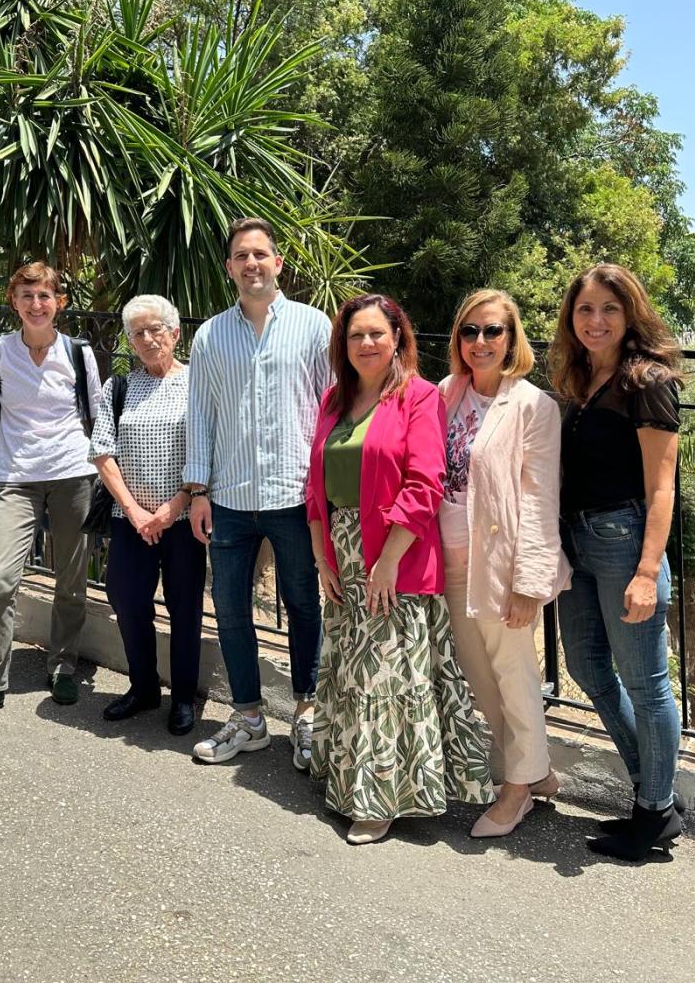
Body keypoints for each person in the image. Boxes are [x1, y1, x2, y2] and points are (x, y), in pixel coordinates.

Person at [304, 294, 493, 844]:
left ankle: (382, 798)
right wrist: (323, 554)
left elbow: (424, 483)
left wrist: (386, 562)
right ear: (343, 344)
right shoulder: (333, 399)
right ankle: (346, 777)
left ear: (397, 339)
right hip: (340, 549)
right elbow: (315, 486)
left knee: (386, 677)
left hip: (395, 552)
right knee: (349, 672)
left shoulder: (418, 396)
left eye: (376, 334)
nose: (366, 343)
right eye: (355, 335)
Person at [184, 218, 332, 768]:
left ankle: (307, 713)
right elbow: (199, 413)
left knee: (302, 604)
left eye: (261, 254)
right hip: (228, 495)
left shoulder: (314, 327)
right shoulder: (210, 335)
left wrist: (329, 490)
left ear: (278, 263)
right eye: (241, 256)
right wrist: (197, 489)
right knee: (230, 608)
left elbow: (331, 406)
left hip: (295, 495)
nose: (252, 264)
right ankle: (248, 718)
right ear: (230, 268)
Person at [550, 262, 684, 861]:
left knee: (647, 684)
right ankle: (653, 793)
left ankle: (653, 811)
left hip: (623, 541)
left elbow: (662, 488)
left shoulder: (645, 381)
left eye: (608, 308)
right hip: (576, 542)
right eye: (585, 310)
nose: (596, 320)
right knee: (585, 666)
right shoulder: (581, 380)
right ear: (571, 319)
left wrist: (648, 572)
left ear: (630, 313)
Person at [438, 288, 570, 838]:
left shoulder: (533, 406)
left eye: (493, 331)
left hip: (501, 559)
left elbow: (541, 499)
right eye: (470, 331)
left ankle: (517, 790)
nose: (481, 341)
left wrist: (530, 582)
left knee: (514, 675)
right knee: (480, 675)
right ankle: (534, 773)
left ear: (513, 338)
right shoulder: (447, 393)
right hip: (446, 557)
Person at [0, 262, 101, 723]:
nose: (37, 304)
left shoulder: (78, 353)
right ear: (14, 301)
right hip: (16, 477)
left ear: (60, 303)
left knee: (71, 580)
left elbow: (94, 414)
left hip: (73, 472)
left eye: (45, 296)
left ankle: (63, 665)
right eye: (27, 296)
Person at [90, 296, 204, 736]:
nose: (148, 338)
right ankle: (143, 687)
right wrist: (135, 511)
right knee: (128, 601)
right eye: (138, 332)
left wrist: (174, 505)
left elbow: (206, 452)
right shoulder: (119, 386)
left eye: (156, 329)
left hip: (181, 520)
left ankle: (183, 697)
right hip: (131, 520)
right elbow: (102, 451)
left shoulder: (197, 384)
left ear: (175, 333)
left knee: (186, 608)